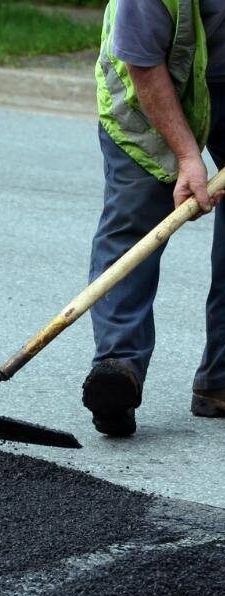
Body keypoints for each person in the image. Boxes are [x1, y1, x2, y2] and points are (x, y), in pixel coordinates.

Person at [83, 0, 225, 436]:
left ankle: (221, 380)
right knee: (135, 219)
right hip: (149, 81)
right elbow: (142, 62)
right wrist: (187, 157)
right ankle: (118, 370)